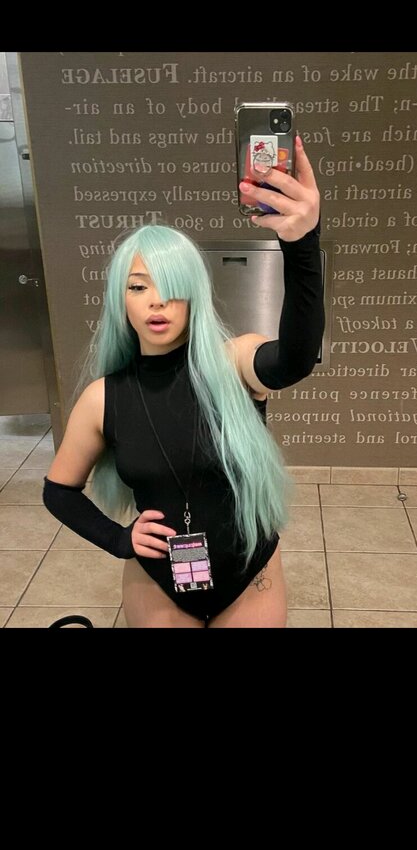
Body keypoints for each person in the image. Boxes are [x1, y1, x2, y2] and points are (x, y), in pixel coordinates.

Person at [43, 136, 323, 628]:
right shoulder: (101, 399)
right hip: (158, 579)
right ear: (120, 300)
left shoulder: (232, 363)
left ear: (195, 296)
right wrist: (118, 538)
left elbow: (295, 360)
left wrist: (301, 244)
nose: (157, 301)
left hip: (249, 574)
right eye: (138, 286)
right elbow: (58, 492)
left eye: (173, 287)